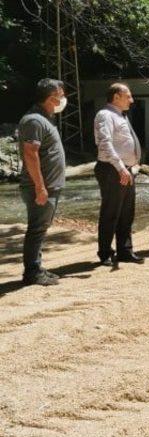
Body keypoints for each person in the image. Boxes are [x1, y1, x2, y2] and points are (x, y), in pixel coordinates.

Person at [17, 79, 67, 286]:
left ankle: (37, 267)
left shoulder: (46, 118)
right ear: (50, 97)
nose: (64, 96)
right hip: (40, 186)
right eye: (61, 93)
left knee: (40, 228)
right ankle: (32, 272)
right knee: (36, 229)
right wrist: (40, 187)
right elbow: (30, 154)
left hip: (49, 186)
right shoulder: (34, 120)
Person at [94, 83, 144, 266]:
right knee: (111, 212)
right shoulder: (105, 115)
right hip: (112, 169)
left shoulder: (120, 115)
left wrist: (132, 165)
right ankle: (105, 253)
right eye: (128, 96)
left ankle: (125, 251)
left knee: (126, 212)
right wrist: (121, 167)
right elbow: (105, 144)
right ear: (116, 97)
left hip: (126, 169)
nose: (131, 100)